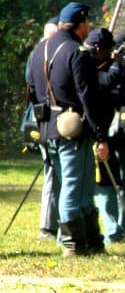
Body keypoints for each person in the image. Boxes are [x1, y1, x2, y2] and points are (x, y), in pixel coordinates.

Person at [28, 2, 112, 257]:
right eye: (87, 24)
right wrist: (100, 133)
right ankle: (73, 245)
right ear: (81, 23)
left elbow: (31, 91)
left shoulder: (38, 50)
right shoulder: (77, 52)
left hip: (47, 128)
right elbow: (87, 95)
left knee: (80, 185)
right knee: (76, 187)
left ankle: (91, 242)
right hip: (72, 128)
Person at [85, 27, 125, 245]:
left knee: (123, 180)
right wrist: (117, 63)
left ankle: (122, 228)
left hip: (116, 130)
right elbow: (107, 81)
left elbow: (124, 92)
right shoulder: (88, 66)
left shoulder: (110, 66)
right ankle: (112, 231)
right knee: (105, 184)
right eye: (107, 50)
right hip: (99, 132)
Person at [23, 16, 61, 240]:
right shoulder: (40, 55)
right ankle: (48, 226)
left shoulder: (41, 53)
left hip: (46, 117)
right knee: (53, 173)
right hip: (46, 119)